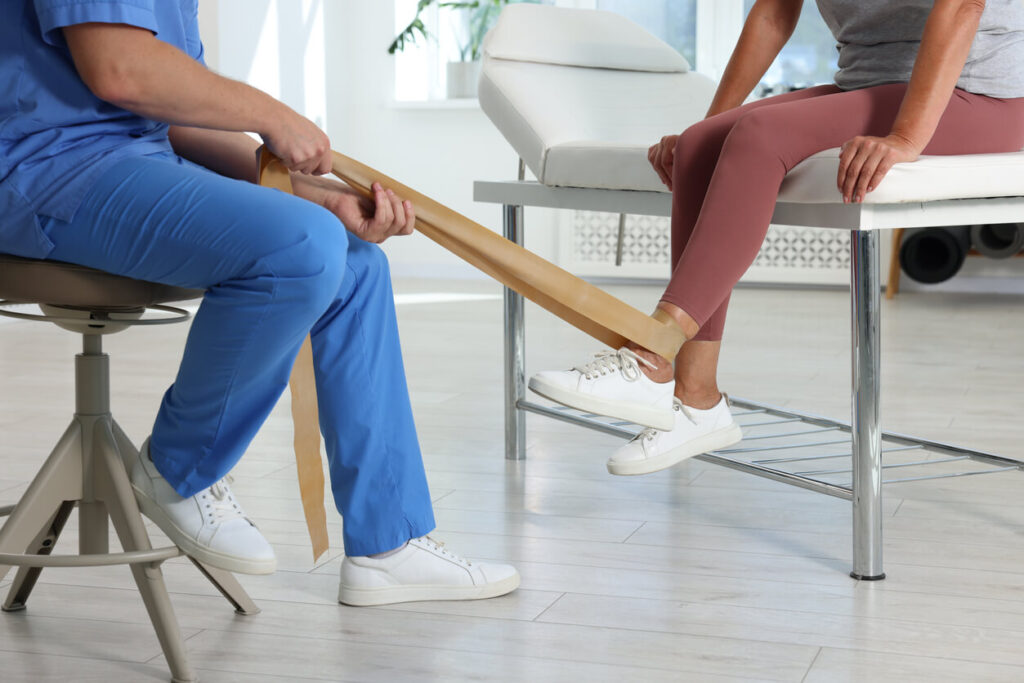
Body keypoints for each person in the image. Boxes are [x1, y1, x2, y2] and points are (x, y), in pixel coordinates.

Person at [0, 0, 519, 607]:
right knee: (302, 248)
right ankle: (178, 471)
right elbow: (122, 70)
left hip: (139, 164)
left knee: (354, 261)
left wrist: (315, 195)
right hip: (46, 171)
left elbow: (174, 119)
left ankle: (388, 545)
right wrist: (273, 115)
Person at [530, 0, 1024, 476]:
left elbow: (963, 5)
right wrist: (706, 125)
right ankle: (697, 401)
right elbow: (773, 13)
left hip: (982, 96)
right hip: (873, 86)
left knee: (761, 136)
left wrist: (906, 138)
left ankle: (653, 351)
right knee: (700, 145)